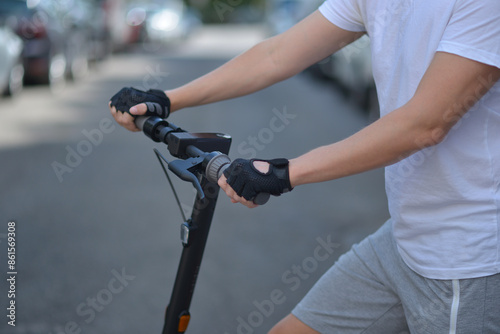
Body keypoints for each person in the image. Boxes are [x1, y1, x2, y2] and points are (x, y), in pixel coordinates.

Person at [109, 0, 500, 332]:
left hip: (464, 259)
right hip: (403, 239)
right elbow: (276, 55)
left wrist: (283, 173)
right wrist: (166, 98)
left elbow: (425, 124)